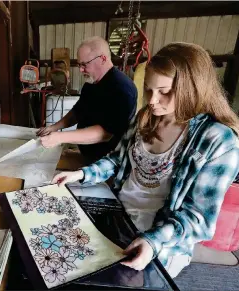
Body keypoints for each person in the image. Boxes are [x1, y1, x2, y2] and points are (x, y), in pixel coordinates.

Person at [51, 42, 239, 278]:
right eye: (148, 89)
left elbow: (198, 219)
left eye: (164, 91)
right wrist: (81, 174)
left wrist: (152, 242)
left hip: (162, 238)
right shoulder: (147, 117)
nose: (151, 100)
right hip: (119, 214)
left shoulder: (218, 141)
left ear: (193, 89)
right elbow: (117, 159)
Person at [37, 36, 137, 164]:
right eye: (79, 64)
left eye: (84, 64)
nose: (80, 70)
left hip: (107, 163)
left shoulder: (122, 88)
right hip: (87, 155)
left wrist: (60, 137)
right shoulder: (90, 84)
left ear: (102, 59)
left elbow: (105, 134)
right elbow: (77, 112)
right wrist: (54, 127)